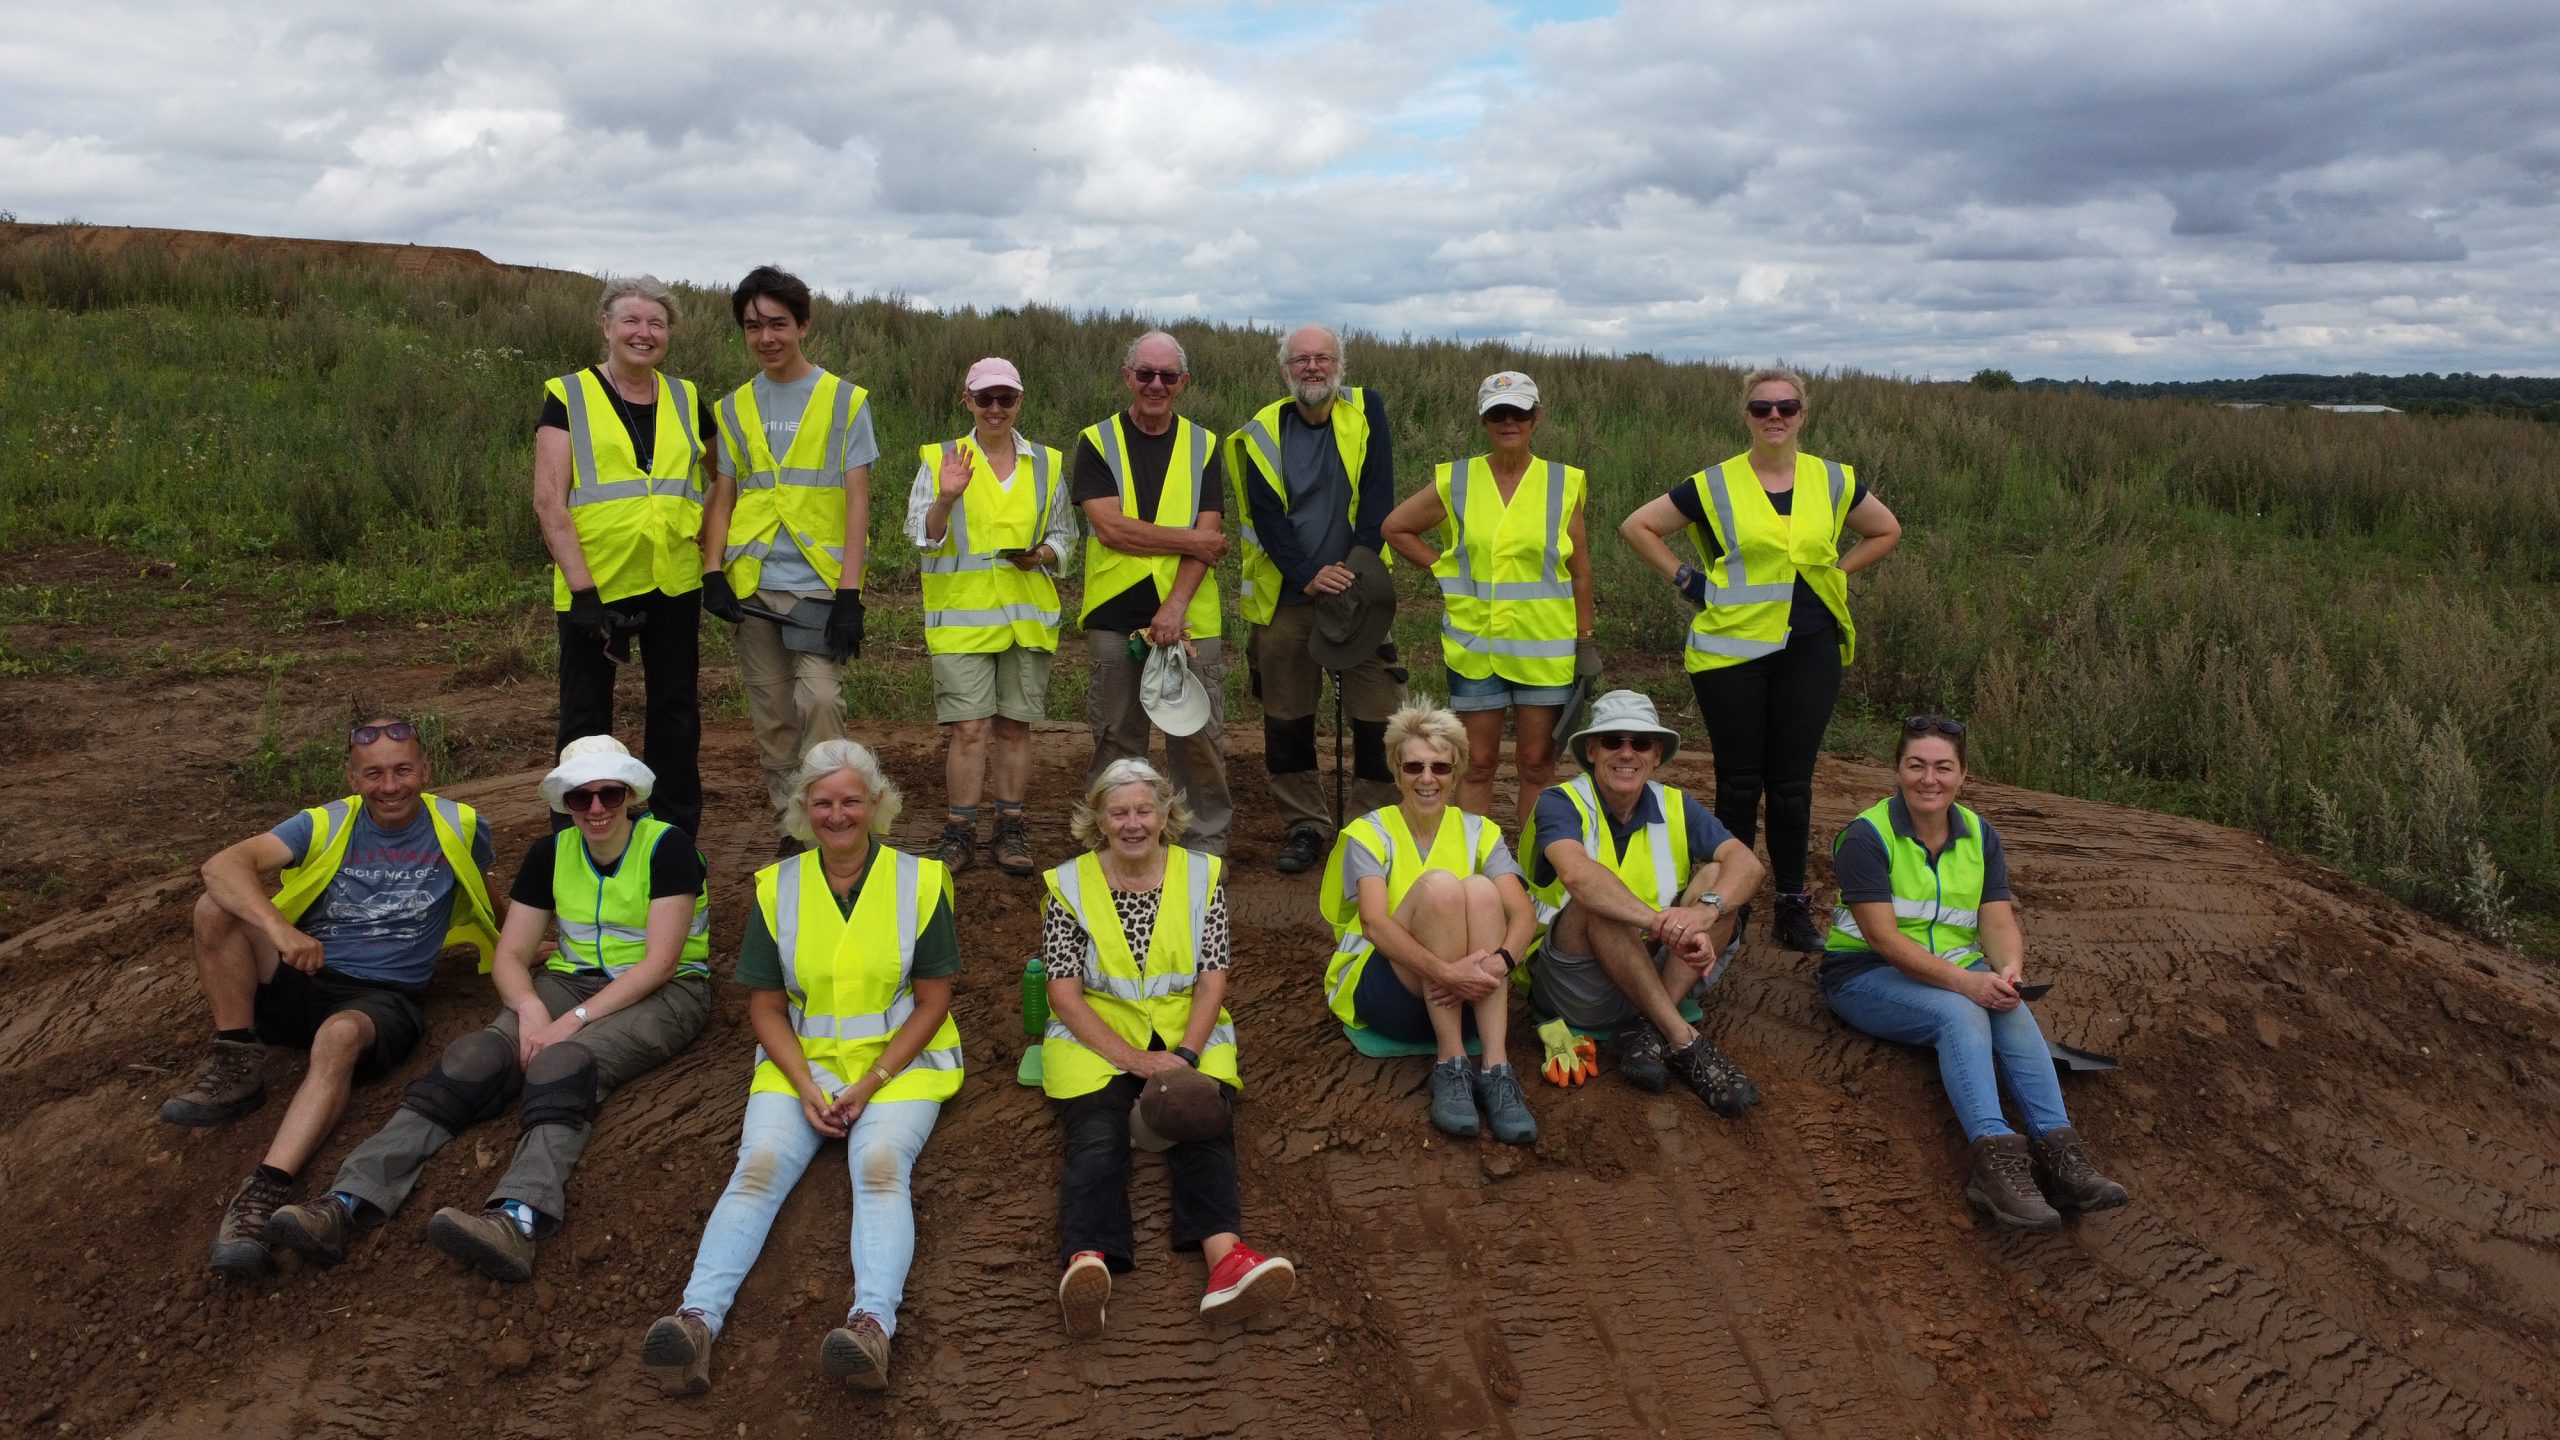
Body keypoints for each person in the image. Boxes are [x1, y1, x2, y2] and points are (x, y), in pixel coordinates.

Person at [265, 736, 711, 1282]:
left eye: (610, 794)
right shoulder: (550, 854)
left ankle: (518, 1218)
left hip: (669, 991)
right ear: (564, 800)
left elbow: (660, 964)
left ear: (629, 795)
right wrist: (527, 1008)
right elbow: (512, 955)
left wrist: (568, 1024)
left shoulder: (667, 847)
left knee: (562, 1064)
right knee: (472, 1058)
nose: (595, 809)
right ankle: (346, 1200)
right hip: (570, 981)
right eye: (581, 797)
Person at [642, 739, 961, 1392]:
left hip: (901, 1067)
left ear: (876, 804)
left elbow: (933, 1003)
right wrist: (806, 1085)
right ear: (802, 810)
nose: (837, 814)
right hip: (800, 1065)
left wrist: (870, 1084)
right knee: (756, 1169)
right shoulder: (775, 888)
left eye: (850, 800)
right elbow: (764, 1009)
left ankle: (871, 1327)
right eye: (822, 802)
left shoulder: (922, 881)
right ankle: (695, 1321)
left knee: (878, 1169)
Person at [162, 717, 499, 1278]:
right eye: (373, 773)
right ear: (352, 776)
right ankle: (236, 1059)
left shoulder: (461, 825)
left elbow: (481, 883)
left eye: (401, 770)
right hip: (307, 970)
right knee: (212, 907)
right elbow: (221, 865)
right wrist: (281, 931)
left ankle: (263, 1193)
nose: (389, 785)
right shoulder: (326, 822)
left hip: (382, 1000)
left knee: (338, 1036)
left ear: (426, 770)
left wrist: (517, 941)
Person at [1619, 366, 1900, 952]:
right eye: (1761, 407)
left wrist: (1835, 576)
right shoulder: (1715, 483)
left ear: (1804, 413)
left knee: (1793, 785)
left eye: (1787, 406)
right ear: (1745, 415)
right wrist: (1688, 581)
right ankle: (1731, 909)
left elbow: (1885, 530)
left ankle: (1793, 907)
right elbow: (1638, 525)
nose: (1775, 416)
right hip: (1731, 651)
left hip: (1811, 648)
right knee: (1740, 784)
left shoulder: (1834, 479)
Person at [1821, 716, 2131, 1230]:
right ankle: (1994, 1166)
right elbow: (1883, 939)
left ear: (1962, 775)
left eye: (1943, 768)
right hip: (1864, 976)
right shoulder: (1866, 835)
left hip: (1953, 969)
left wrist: (2009, 969)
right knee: (1961, 1012)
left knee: (2008, 1006)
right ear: (1897, 771)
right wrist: (1968, 982)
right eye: (1916, 765)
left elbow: (1997, 918)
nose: (1929, 779)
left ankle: (2062, 1156)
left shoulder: (1979, 833)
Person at [1039, 759, 1293, 1336]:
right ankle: (1088, 1262)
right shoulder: (1070, 884)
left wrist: (1187, 1057)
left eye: (1144, 810)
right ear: (1099, 821)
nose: (1133, 824)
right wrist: (1136, 1062)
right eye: (1119, 812)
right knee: (1097, 1133)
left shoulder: (1202, 875)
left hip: (1186, 1032)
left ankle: (1226, 1260)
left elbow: (1213, 976)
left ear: (1165, 816)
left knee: (1202, 1121)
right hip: (1095, 1036)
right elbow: (1063, 993)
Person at [699, 265, 878, 855]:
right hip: (752, 582)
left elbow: (857, 500)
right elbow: (723, 493)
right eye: (753, 326)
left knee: (820, 701)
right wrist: (713, 571)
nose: (766, 337)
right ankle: (793, 828)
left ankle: (834, 816)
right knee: (773, 714)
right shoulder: (733, 407)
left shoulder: (845, 401)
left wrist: (850, 593)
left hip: (819, 586)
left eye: (778, 323)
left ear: (803, 324)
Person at [1521, 690, 1767, 1115]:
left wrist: (1703, 912)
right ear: (1592, 750)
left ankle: (1644, 1028)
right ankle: (1683, 1040)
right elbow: (1579, 877)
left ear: (1656, 754)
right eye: (1614, 740)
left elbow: (1748, 864)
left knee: (1716, 881)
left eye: (1640, 743)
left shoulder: (1675, 804)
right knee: (1595, 901)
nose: (1627, 752)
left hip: (1645, 968)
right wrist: (1663, 922)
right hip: (1573, 982)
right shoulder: (1560, 803)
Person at [533, 275, 717, 841]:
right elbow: (549, 500)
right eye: (632, 321)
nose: (645, 333)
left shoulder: (686, 398)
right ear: (606, 327)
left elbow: (723, 480)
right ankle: (581, 835)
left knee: (675, 713)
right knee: (586, 719)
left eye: (656, 323)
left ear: (669, 333)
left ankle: (674, 835)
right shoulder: (569, 395)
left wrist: (707, 548)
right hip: (597, 584)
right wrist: (584, 593)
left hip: (672, 581)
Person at [1381, 371, 1596, 829]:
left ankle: (1535, 876)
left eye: (1518, 412)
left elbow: (1579, 572)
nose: (1508, 421)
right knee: (1476, 765)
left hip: (1545, 650)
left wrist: (1586, 639)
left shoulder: (1562, 483)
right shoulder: (1457, 479)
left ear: (1535, 418)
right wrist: (1444, 568)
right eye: (1497, 413)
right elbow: (1396, 528)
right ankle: (1478, 871)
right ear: (1484, 421)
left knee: (1537, 766)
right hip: (1475, 649)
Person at [1226, 324, 1405, 874]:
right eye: (1300, 359)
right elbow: (1267, 520)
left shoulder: (1366, 411)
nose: (1312, 367)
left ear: (1339, 365)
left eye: (1322, 358)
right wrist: (1308, 576)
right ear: (1285, 371)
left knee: (1379, 718)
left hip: (1361, 593)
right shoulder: (1258, 434)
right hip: (1288, 596)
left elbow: (1379, 499)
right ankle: (1304, 825)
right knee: (1287, 718)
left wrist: (1349, 574)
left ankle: (1367, 830)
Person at [1319, 705, 1540, 1142]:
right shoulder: (1370, 833)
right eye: (1414, 766)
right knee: (1440, 887)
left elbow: (1524, 913)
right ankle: (1451, 1063)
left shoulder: (1482, 831)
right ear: (1396, 771)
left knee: (1480, 889)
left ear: (1455, 772)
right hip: (1391, 994)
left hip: (1474, 995)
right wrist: (1445, 972)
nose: (1427, 778)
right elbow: (1374, 925)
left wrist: (1501, 963)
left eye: (1440, 767)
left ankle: (1496, 1067)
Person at [910, 356, 1076, 875]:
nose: (996, 408)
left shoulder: (1046, 463)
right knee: (969, 731)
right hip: (961, 620)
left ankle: (1009, 826)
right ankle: (959, 830)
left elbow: (1064, 536)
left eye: (1006, 398)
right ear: (968, 401)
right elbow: (923, 536)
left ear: (1019, 401)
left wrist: (1041, 556)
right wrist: (946, 495)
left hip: (1025, 620)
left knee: (1014, 730)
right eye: (985, 399)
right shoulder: (941, 458)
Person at [1074, 330, 1233, 854]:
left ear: (1183, 382)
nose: (1156, 384)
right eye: (1145, 374)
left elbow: (1210, 546)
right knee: (1118, 737)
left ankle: (1204, 849)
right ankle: (1112, 845)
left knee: (1199, 740)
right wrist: (1191, 538)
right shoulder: (1096, 441)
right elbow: (1111, 529)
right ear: (1127, 377)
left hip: (1189, 617)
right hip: (1115, 617)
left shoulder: (1206, 445)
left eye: (1168, 376)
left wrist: (1175, 607)